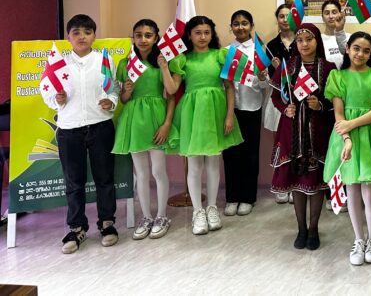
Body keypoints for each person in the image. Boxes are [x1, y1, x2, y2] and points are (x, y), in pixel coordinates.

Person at [40, 14, 120, 254]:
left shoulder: (105, 60)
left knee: (104, 178)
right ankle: (76, 228)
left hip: (100, 126)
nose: (82, 36)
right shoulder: (59, 64)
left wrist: (111, 101)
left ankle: (107, 223)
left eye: (87, 32)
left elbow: (114, 87)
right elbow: (46, 91)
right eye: (76, 32)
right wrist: (56, 99)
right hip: (69, 129)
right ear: (68, 37)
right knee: (74, 182)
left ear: (94, 36)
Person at [323, 32, 371, 265]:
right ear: (347, 48)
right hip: (346, 138)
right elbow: (339, 114)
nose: (360, 54)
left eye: (366, 50)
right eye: (356, 48)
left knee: (370, 192)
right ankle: (358, 239)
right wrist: (346, 137)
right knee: (352, 190)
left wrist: (352, 123)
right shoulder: (338, 76)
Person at [165, 15, 243, 235]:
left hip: (216, 112)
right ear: (189, 35)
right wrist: (163, 67)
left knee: (213, 162)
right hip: (192, 113)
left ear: (212, 34)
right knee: (194, 164)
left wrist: (229, 115)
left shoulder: (220, 55)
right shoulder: (182, 59)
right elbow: (172, 89)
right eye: (198, 33)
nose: (202, 37)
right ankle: (197, 212)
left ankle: (211, 207)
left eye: (207, 32)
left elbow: (229, 87)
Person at [270, 23, 336, 250]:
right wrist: (285, 108)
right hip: (292, 131)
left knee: (316, 184)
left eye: (309, 39)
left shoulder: (328, 68)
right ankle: (301, 229)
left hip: (318, 131)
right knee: (297, 183)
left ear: (317, 41)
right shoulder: (287, 67)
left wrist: (321, 104)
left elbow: (336, 100)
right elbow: (276, 96)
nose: (304, 44)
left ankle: (314, 229)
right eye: (300, 40)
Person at [113, 19, 176, 240]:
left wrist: (166, 124)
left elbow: (171, 93)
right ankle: (146, 217)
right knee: (140, 173)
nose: (143, 39)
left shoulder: (162, 61)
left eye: (148, 35)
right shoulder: (125, 63)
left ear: (156, 37)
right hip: (133, 119)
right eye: (138, 35)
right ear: (133, 37)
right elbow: (122, 99)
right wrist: (127, 92)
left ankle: (161, 216)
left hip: (156, 117)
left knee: (158, 170)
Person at [222, 10, 268, 217]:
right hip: (229, 110)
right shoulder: (225, 52)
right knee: (230, 154)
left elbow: (266, 85)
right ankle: (232, 197)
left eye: (244, 23)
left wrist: (262, 78)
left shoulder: (259, 51)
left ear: (251, 26)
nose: (240, 27)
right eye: (236, 23)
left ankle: (248, 197)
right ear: (231, 27)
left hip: (252, 107)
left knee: (250, 154)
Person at [264, 3, 295, 204]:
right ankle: (282, 183)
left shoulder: (303, 40)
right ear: (277, 19)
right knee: (280, 143)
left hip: (298, 100)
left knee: (298, 143)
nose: (285, 20)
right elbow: (269, 78)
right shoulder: (271, 45)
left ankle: (295, 182)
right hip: (279, 100)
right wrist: (276, 71)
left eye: (289, 16)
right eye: (281, 16)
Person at [320, 0, 349, 70]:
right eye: (327, 13)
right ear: (322, 17)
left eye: (334, 12)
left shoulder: (350, 38)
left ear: (340, 14)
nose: (331, 16)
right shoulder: (318, 40)